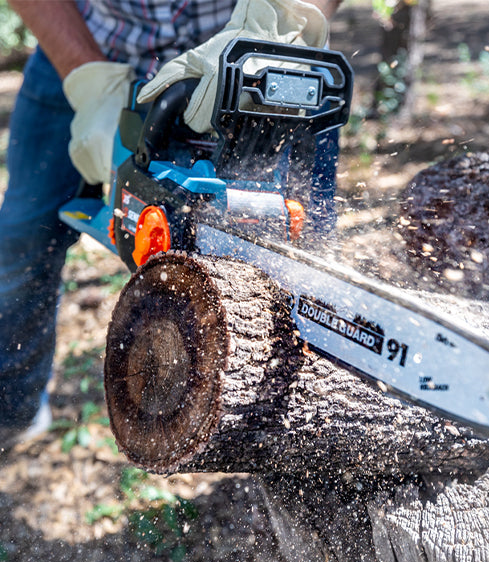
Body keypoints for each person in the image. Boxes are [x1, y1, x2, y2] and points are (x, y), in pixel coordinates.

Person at [0, 0, 342, 451]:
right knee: (22, 236)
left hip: (253, 61)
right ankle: (13, 413)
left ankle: (302, 425)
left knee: (306, 249)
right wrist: (92, 84)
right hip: (90, 39)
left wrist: (284, 23)